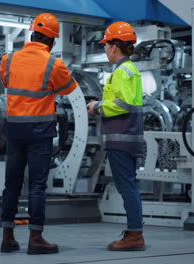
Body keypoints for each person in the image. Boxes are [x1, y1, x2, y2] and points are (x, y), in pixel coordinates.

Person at [0, 13, 77, 255]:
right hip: (40, 132)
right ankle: (35, 238)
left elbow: (5, 81)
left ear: (32, 34)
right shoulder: (54, 64)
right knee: (37, 186)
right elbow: (68, 88)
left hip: (14, 131)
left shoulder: (8, 59)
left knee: (11, 185)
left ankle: (7, 237)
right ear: (52, 41)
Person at [87, 22, 145, 251]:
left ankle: (134, 235)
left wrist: (98, 106)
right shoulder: (129, 69)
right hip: (127, 137)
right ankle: (134, 232)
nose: (105, 50)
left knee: (127, 187)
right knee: (129, 186)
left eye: (106, 45)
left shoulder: (122, 71)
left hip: (122, 138)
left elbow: (123, 104)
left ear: (113, 47)